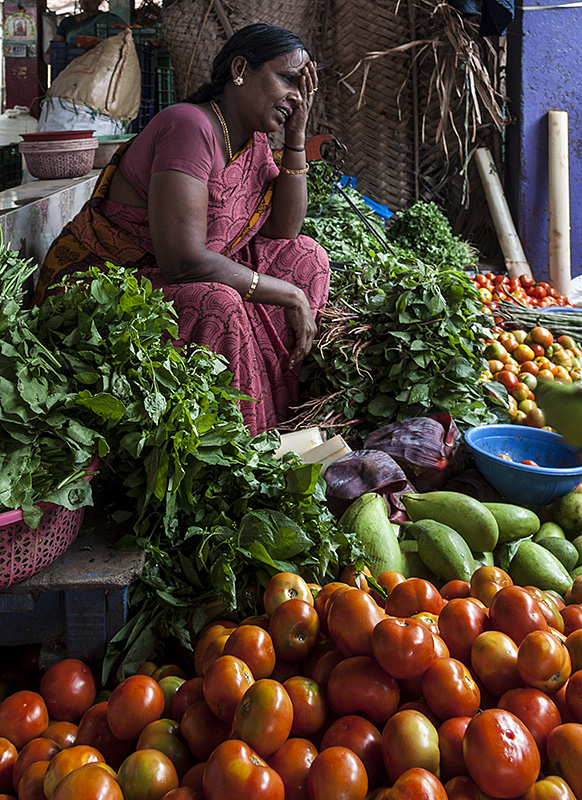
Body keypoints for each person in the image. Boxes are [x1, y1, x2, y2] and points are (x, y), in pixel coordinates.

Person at [33, 23, 330, 437]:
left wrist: (296, 137)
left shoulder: (254, 143)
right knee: (218, 302)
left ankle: (280, 406)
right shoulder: (189, 126)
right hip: (106, 282)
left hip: (174, 275)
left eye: (303, 86)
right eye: (287, 79)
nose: (297, 95)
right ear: (240, 68)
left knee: (305, 257)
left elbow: (284, 230)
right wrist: (290, 296)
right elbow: (183, 262)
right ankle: (242, 441)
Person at [52, 0, 126, 44]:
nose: (87, 2)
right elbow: (57, 43)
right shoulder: (67, 22)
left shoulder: (109, 20)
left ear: (99, 1)